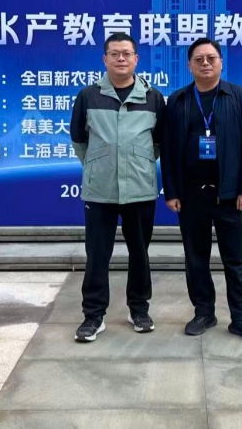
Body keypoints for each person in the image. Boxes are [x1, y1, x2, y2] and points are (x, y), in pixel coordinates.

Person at [161, 38, 242, 344]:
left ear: (221, 62)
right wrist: (171, 191)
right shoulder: (178, 100)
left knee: (235, 258)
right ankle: (203, 313)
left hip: (230, 195)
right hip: (191, 195)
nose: (205, 63)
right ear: (189, 65)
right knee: (196, 258)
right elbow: (168, 150)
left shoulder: (238, 96)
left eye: (211, 58)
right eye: (199, 59)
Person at [70, 32, 166, 342]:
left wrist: (136, 163)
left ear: (136, 59)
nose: (121, 58)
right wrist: (99, 166)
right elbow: (79, 140)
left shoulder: (153, 97)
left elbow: (158, 142)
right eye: (114, 53)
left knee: (139, 253)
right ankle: (93, 315)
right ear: (105, 59)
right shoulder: (88, 96)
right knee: (97, 254)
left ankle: (139, 309)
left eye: (126, 53)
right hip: (100, 191)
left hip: (140, 189)